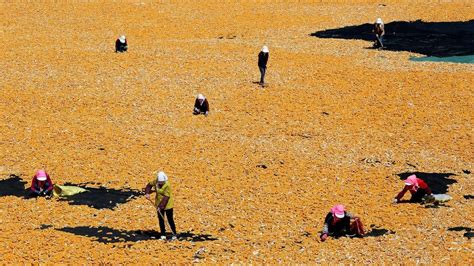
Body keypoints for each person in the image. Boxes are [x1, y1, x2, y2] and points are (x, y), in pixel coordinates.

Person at [145, 171, 177, 240]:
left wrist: (160, 207)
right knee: (161, 219)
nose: (161, 184)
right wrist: (147, 193)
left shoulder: (167, 185)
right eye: (160, 183)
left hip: (167, 205)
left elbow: (166, 197)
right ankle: (163, 234)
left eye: (162, 183)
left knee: (170, 219)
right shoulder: (156, 181)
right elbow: (149, 185)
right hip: (158, 203)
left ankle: (174, 233)